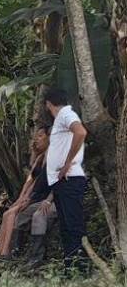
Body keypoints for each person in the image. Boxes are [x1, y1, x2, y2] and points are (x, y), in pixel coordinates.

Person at [43, 88, 90, 272]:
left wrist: (67, 162)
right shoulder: (61, 118)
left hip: (69, 178)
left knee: (73, 225)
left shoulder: (65, 114)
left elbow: (80, 132)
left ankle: (80, 267)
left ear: (48, 104)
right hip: (61, 181)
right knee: (66, 226)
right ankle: (71, 266)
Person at [0, 125, 51, 262]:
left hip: (41, 196)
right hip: (32, 196)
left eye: (39, 136)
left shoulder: (53, 157)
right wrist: (21, 198)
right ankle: (0, 252)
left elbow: (42, 183)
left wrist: (28, 199)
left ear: (50, 137)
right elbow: (30, 179)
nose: (36, 139)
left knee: (12, 215)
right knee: (7, 213)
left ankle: (6, 253)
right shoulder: (40, 158)